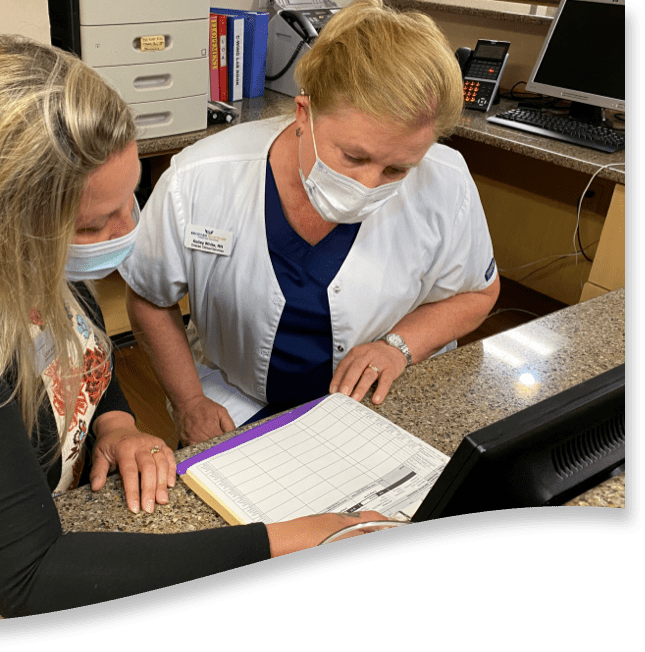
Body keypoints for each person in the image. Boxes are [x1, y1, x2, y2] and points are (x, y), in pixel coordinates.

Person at [0, 35, 390, 618]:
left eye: (130, 201)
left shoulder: (34, 246)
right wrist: (293, 540)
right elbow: (29, 577)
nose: (124, 233)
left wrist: (115, 424)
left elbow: (79, 356)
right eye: (94, 226)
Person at [121, 0, 500, 447]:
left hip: (376, 406)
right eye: (354, 157)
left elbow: (478, 292)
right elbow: (149, 297)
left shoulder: (446, 179)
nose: (368, 183)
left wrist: (397, 347)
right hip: (234, 404)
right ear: (304, 113)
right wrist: (188, 403)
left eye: (397, 170)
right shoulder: (199, 178)